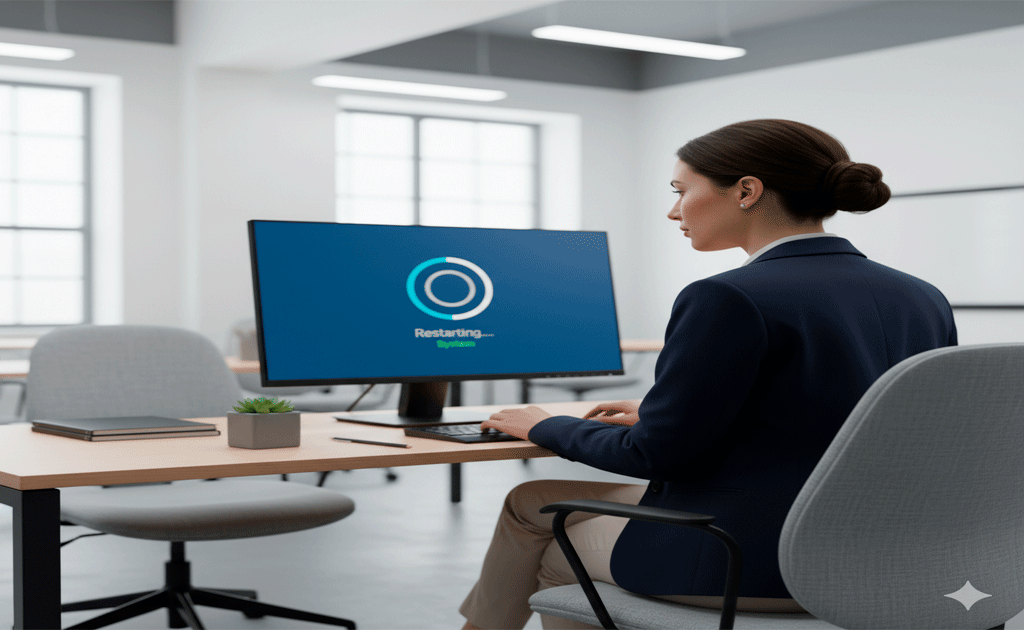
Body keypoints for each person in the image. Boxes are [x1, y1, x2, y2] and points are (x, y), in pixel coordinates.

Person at [459, 119, 958, 630]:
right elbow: (835, 412)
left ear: (746, 191)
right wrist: (666, 411)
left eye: (681, 191)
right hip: (885, 550)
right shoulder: (922, 296)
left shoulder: (727, 295)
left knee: (556, 554)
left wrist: (544, 425)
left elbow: (655, 456)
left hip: (762, 560)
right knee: (531, 500)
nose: (673, 210)